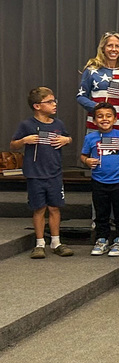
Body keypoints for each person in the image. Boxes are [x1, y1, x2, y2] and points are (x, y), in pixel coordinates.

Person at [11, 87, 73, 258]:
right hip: (35, 174)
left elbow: (68, 138)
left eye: (54, 101)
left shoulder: (58, 124)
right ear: (37, 106)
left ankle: (56, 242)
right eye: (50, 102)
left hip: (54, 173)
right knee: (39, 208)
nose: (54, 104)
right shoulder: (27, 125)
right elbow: (13, 144)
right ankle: (39, 243)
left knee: (55, 207)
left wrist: (66, 140)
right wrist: (24, 140)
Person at [80, 102, 119, 257]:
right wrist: (87, 161)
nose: (104, 119)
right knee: (101, 213)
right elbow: (83, 155)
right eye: (100, 116)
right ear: (94, 120)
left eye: (108, 116)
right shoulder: (90, 138)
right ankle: (102, 239)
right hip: (99, 182)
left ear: (115, 119)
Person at [77, 32, 119, 133]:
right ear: (103, 48)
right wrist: (97, 107)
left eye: (117, 46)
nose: (114, 49)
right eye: (110, 46)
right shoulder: (92, 70)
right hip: (97, 128)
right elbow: (81, 96)